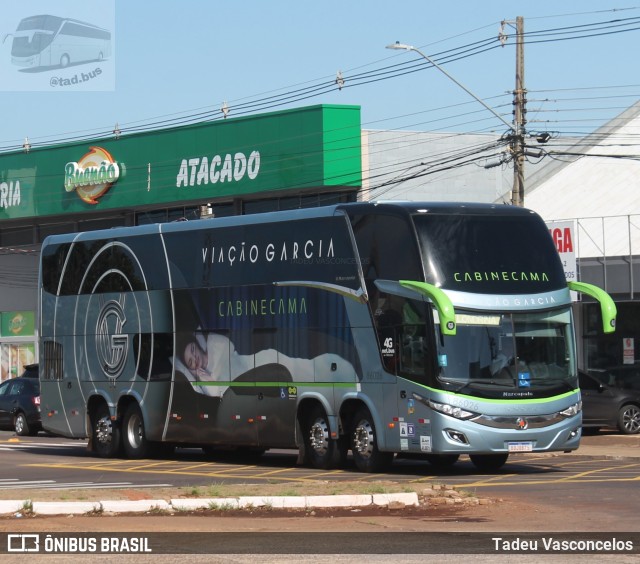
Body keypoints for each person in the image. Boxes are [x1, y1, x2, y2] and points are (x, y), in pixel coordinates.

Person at [180, 332, 357, 397]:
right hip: (260, 376)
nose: (195, 359)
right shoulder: (204, 379)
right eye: (190, 361)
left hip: (260, 362)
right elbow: (218, 393)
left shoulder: (217, 345)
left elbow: (230, 360)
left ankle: (335, 375)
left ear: (199, 345)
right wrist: (204, 378)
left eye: (193, 351)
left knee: (299, 369)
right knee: (297, 385)